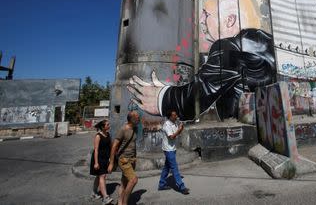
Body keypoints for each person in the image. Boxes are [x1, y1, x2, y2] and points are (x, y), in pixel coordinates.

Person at [127, 28, 276, 121]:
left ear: (230, 19)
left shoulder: (234, 47)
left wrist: (166, 98)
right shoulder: (256, 42)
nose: (202, 20)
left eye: (206, 14)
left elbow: (207, 86)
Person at [108, 111, 139, 205]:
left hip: (132, 159)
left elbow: (132, 144)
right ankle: (125, 203)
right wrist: (112, 163)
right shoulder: (123, 129)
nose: (139, 118)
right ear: (131, 118)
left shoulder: (135, 128)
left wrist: (134, 157)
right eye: (137, 117)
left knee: (124, 182)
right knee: (133, 180)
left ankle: (120, 202)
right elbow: (114, 146)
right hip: (124, 159)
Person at [158, 110, 189, 195]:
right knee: (174, 168)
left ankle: (161, 184)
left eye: (176, 115)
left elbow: (176, 134)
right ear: (170, 117)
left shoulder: (174, 123)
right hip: (168, 149)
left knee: (167, 167)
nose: (176, 117)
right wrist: (179, 130)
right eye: (174, 115)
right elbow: (171, 137)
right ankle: (181, 187)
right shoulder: (167, 125)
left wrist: (180, 129)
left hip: (172, 148)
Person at [90, 120, 113, 205]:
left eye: (108, 124)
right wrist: (96, 163)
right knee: (102, 176)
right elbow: (96, 150)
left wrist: (111, 158)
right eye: (107, 125)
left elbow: (110, 147)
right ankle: (105, 198)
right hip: (98, 158)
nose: (109, 126)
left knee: (99, 176)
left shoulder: (108, 135)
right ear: (103, 127)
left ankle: (93, 193)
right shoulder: (98, 136)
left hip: (105, 158)